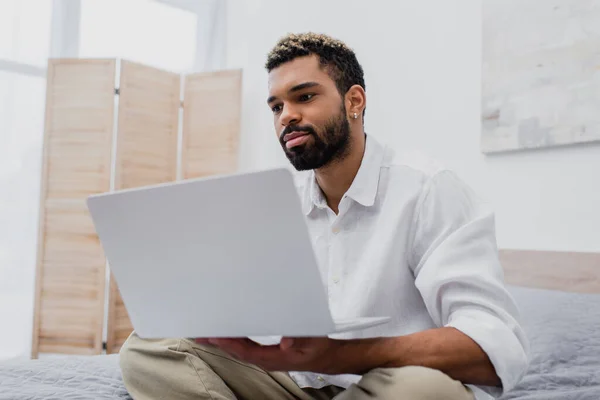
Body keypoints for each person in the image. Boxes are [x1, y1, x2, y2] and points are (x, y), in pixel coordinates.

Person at [119, 32, 529, 400]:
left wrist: (339, 357)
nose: (286, 116)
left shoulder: (428, 189)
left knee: (422, 390)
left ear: (354, 101)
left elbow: (495, 346)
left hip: (388, 383)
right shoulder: (274, 202)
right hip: (294, 385)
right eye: (276, 105)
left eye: (305, 97)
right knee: (147, 348)